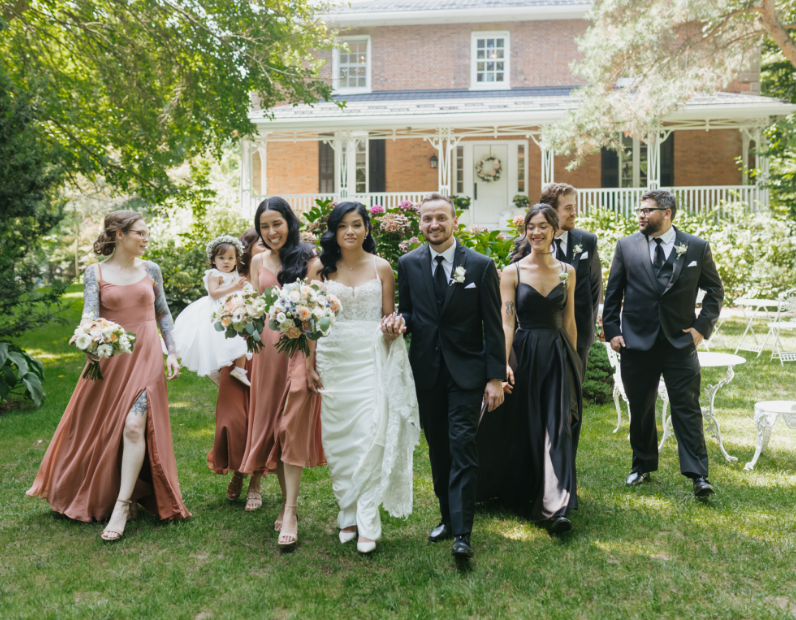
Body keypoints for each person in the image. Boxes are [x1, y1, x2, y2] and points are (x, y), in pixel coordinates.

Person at [27, 210, 190, 540]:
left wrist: (171, 351)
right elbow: (89, 315)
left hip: (145, 356)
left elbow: (163, 313)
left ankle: (122, 505)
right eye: (140, 233)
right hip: (111, 359)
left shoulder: (151, 270)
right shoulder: (95, 272)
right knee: (96, 430)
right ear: (119, 235)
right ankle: (93, 488)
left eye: (147, 233)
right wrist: (89, 339)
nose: (146, 238)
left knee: (133, 425)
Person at [383, 192, 505, 560]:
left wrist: (495, 376)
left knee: (462, 444)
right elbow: (411, 312)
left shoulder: (481, 266)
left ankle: (463, 532)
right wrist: (398, 324)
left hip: (467, 372)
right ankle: (447, 518)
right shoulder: (407, 263)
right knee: (438, 448)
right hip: (426, 372)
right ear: (420, 223)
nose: (433, 224)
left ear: (454, 221)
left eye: (441, 218)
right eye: (427, 219)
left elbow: (493, 325)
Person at [305, 202, 420, 555]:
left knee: (372, 433)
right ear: (334, 232)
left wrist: (392, 329)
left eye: (357, 225)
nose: (350, 231)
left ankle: (368, 517)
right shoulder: (318, 269)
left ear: (367, 229)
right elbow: (310, 320)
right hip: (333, 359)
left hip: (370, 359)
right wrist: (310, 363)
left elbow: (388, 318)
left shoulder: (381, 267)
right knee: (340, 438)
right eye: (343, 226)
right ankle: (347, 512)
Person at [603, 190, 724, 497]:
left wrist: (700, 329)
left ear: (667, 213)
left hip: (679, 343)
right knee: (641, 409)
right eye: (640, 210)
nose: (641, 215)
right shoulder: (626, 246)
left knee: (686, 407)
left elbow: (715, 292)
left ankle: (698, 475)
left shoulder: (696, 247)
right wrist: (613, 330)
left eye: (648, 210)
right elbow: (613, 292)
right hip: (636, 343)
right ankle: (641, 465)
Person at [478, 204, 582, 532]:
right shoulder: (513, 272)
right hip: (524, 353)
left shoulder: (568, 271)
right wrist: (501, 365)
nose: (536, 232)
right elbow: (507, 324)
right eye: (531, 227)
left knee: (558, 425)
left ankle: (556, 507)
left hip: (557, 354)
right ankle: (518, 487)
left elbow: (570, 323)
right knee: (526, 423)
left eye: (543, 226)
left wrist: (575, 364)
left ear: (555, 231)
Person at [239, 197, 325, 547]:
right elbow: (253, 304)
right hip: (266, 353)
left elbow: (317, 314)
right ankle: (288, 504)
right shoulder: (258, 260)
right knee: (275, 427)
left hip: (300, 348)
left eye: (277, 223)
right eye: (264, 226)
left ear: (289, 222)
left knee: (292, 426)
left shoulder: (310, 261)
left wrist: (311, 362)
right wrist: (241, 322)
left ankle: (289, 510)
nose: (271, 232)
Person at [207, 229, 267, 501]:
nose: (266, 248)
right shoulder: (235, 277)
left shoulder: (278, 270)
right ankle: (238, 470)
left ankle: (254, 482)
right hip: (235, 349)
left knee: (262, 417)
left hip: (266, 349)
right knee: (232, 420)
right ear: (249, 249)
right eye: (261, 244)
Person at [540, 183, 602, 376]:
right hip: (541, 334)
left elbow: (595, 288)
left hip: (579, 333)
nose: (574, 212)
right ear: (551, 212)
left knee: (573, 394)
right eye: (568, 208)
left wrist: (587, 329)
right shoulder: (527, 245)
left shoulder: (587, 241)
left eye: (574, 207)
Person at [172, 235, 251, 386]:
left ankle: (238, 369)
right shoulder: (214, 274)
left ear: (236, 260)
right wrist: (233, 288)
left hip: (233, 309)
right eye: (221, 258)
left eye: (230, 258)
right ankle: (218, 371)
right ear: (214, 260)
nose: (226, 261)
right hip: (217, 311)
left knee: (241, 337)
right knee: (219, 342)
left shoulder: (234, 274)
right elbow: (213, 293)